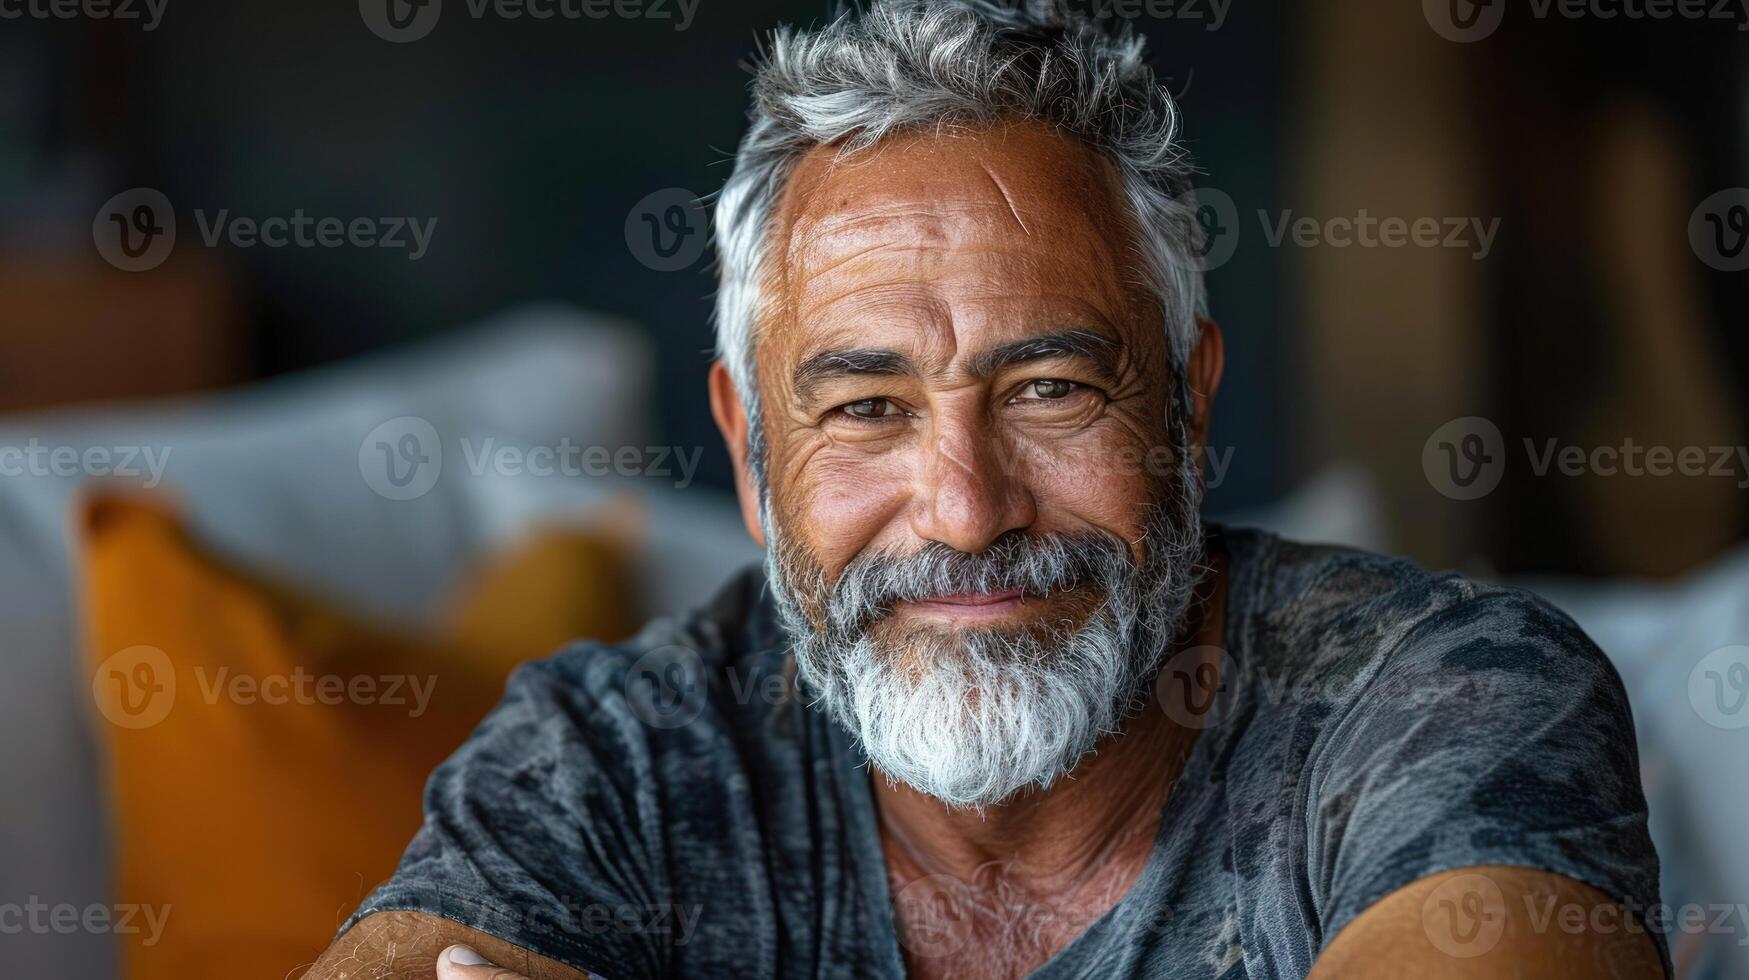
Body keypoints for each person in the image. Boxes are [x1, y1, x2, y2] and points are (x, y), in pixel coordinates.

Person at [308, 2, 1667, 977]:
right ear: (748, 452)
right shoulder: (611, 757)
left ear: (1184, 404)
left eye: (1048, 391)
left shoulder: (1451, 697)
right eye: (864, 409)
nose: (964, 510)